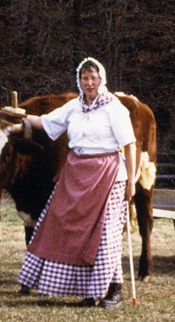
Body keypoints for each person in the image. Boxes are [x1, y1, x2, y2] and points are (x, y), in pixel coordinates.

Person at [17, 57, 136, 308]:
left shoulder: (114, 108)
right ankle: (89, 291)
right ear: (79, 81)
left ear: (102, 80)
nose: (89, 83)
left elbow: (129, 144)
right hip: (76, 172)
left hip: (108, 174)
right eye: (85, 78)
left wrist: (131, 182)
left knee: (104, 235)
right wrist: (20, 116)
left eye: (93, 78)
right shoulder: (75, 106)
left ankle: (114, 291)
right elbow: (46, 122)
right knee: (72, 230)